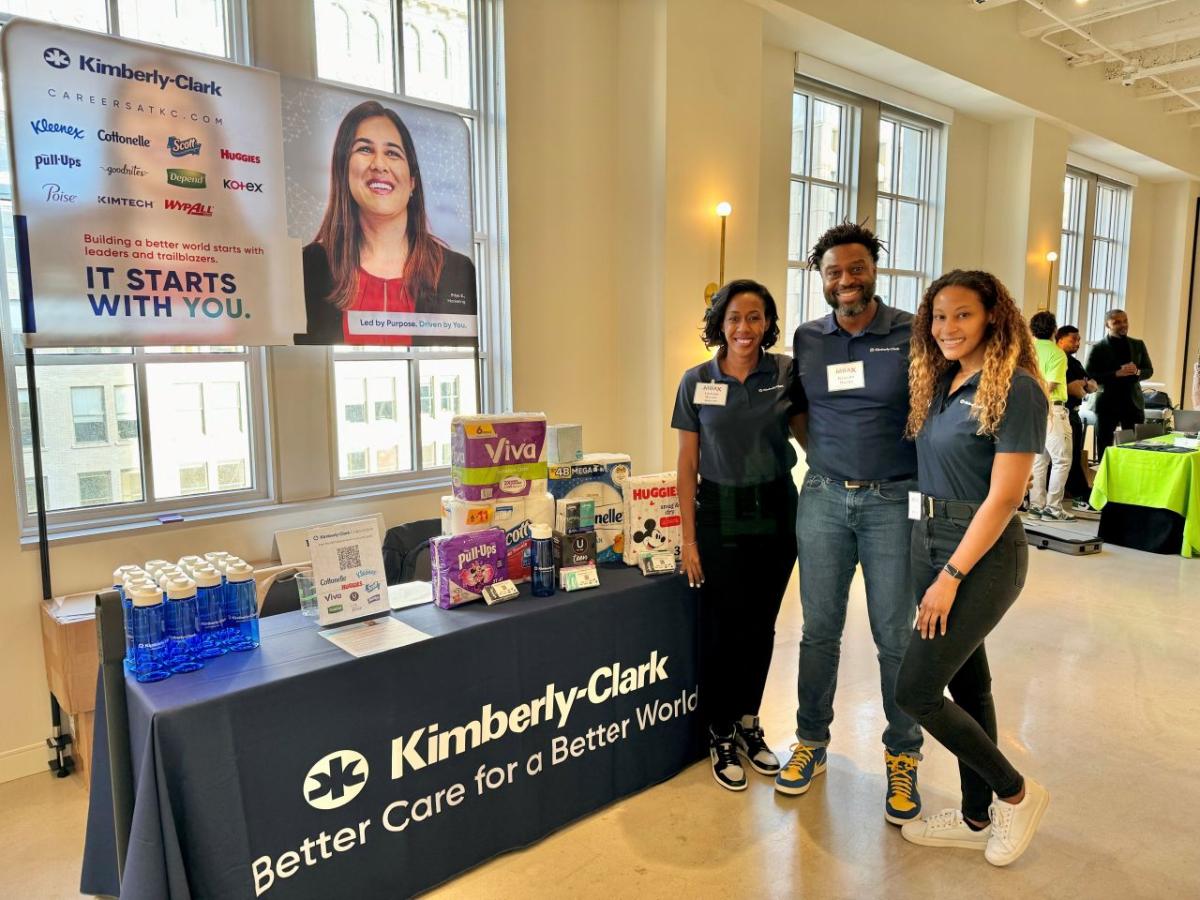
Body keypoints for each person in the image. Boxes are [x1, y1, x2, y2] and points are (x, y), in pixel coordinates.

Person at [895, 269, 1050, 868]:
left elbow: (1005, 497)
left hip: (979, 557)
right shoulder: (939, 382)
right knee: (967, 683)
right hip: (926, 538)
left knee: (916, 690)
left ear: (992, 316)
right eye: (938, 316)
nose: (947, 327)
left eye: (962, 314)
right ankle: (975, 815)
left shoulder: (1016, 389)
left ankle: (1016, 793)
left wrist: (950, 577)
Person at [777, 222, 923, 826]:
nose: (845, 280)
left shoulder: (914, 333)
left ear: (874, 271)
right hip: (823, 498)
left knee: (895, 636)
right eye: (834, 271)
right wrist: (827, 461)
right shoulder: (808, 338)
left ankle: (903, 753)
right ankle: (811, 740)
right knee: (818, 631)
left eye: (856, 268)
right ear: (822, 277)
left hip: (895, 501)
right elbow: (798, 412)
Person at [673, 279, 800, 792]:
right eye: (734, 318)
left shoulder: (788, 374)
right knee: (723, 626)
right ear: (719, 324)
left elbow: (816, 434)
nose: (744, 328)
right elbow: (686, 464)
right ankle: (719, 731)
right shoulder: (696, 380)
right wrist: (688, 539)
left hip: (774, 505)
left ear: (768, 323)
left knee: (762, 624)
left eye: (755, 317)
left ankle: (748, 721)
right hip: (719, 509)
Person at [296, 100, 476, 346]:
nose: (379, 165)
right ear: (343, 169)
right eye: (365, 150)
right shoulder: (308, 268)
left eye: (392, 153)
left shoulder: (457, 272)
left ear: (412, 181)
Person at [1026, 311, 1074, 522]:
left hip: (1032, 410)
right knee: (1062, 460)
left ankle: (1036, 506)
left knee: (1039, 459)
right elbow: (1051, 384)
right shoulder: (1057, 353)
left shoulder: (1027, 351)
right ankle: (1053, 508)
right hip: (1053, 409)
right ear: (1054, 330)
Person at [1085, 309, 1153, 456]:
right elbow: (1089, 375)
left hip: (1132, 403)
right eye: (1116, 322)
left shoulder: (1138, 344)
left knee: (1134, 446)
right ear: (1107, 325)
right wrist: (1116, 374)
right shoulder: (1098, 348)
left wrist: (1137, 372)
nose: (1123, 325)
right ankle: (1103, 477)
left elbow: (1148, 370)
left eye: (1125, 321)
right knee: (1105, 446)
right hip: (1107, 404)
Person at [1056, 325, 1096, 509]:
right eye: (1073, 339)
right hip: (1062, 412)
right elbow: (1076, 390)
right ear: (1060, 339)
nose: (1077, 343)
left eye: (1079, 340)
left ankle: (1075, 492)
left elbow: (1092, 386)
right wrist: (1082, 385)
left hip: (1075, 414)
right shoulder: (1059, 360)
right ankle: (1080, 493)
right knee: (1066, 457)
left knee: (1075, 455)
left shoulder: (1075, 362)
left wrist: (1083, 384)